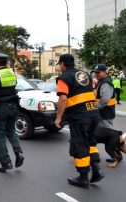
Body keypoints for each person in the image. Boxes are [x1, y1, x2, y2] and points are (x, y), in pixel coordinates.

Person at [55, 54, 104, 188]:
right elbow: (93, 93)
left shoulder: (64, 78)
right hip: (93, 113)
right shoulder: (84, 74)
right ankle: (97, 170)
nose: (60, 67)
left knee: (79, 144)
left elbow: (63, 99)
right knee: (90, 141)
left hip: (80, 117)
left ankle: (83, 178)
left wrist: (58, 117)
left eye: (60, 64)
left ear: (63, 64)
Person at [91, 64, 116, 129]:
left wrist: (95, 107)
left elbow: (105, 100)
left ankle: (120, 138)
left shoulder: (106, 83)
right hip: (103, 113)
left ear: (105, 72)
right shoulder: (101, 81)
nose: (96, 74)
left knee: (106, 134)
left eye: (98, 72)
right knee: (101, 134)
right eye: (95, 72)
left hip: (105, 114)